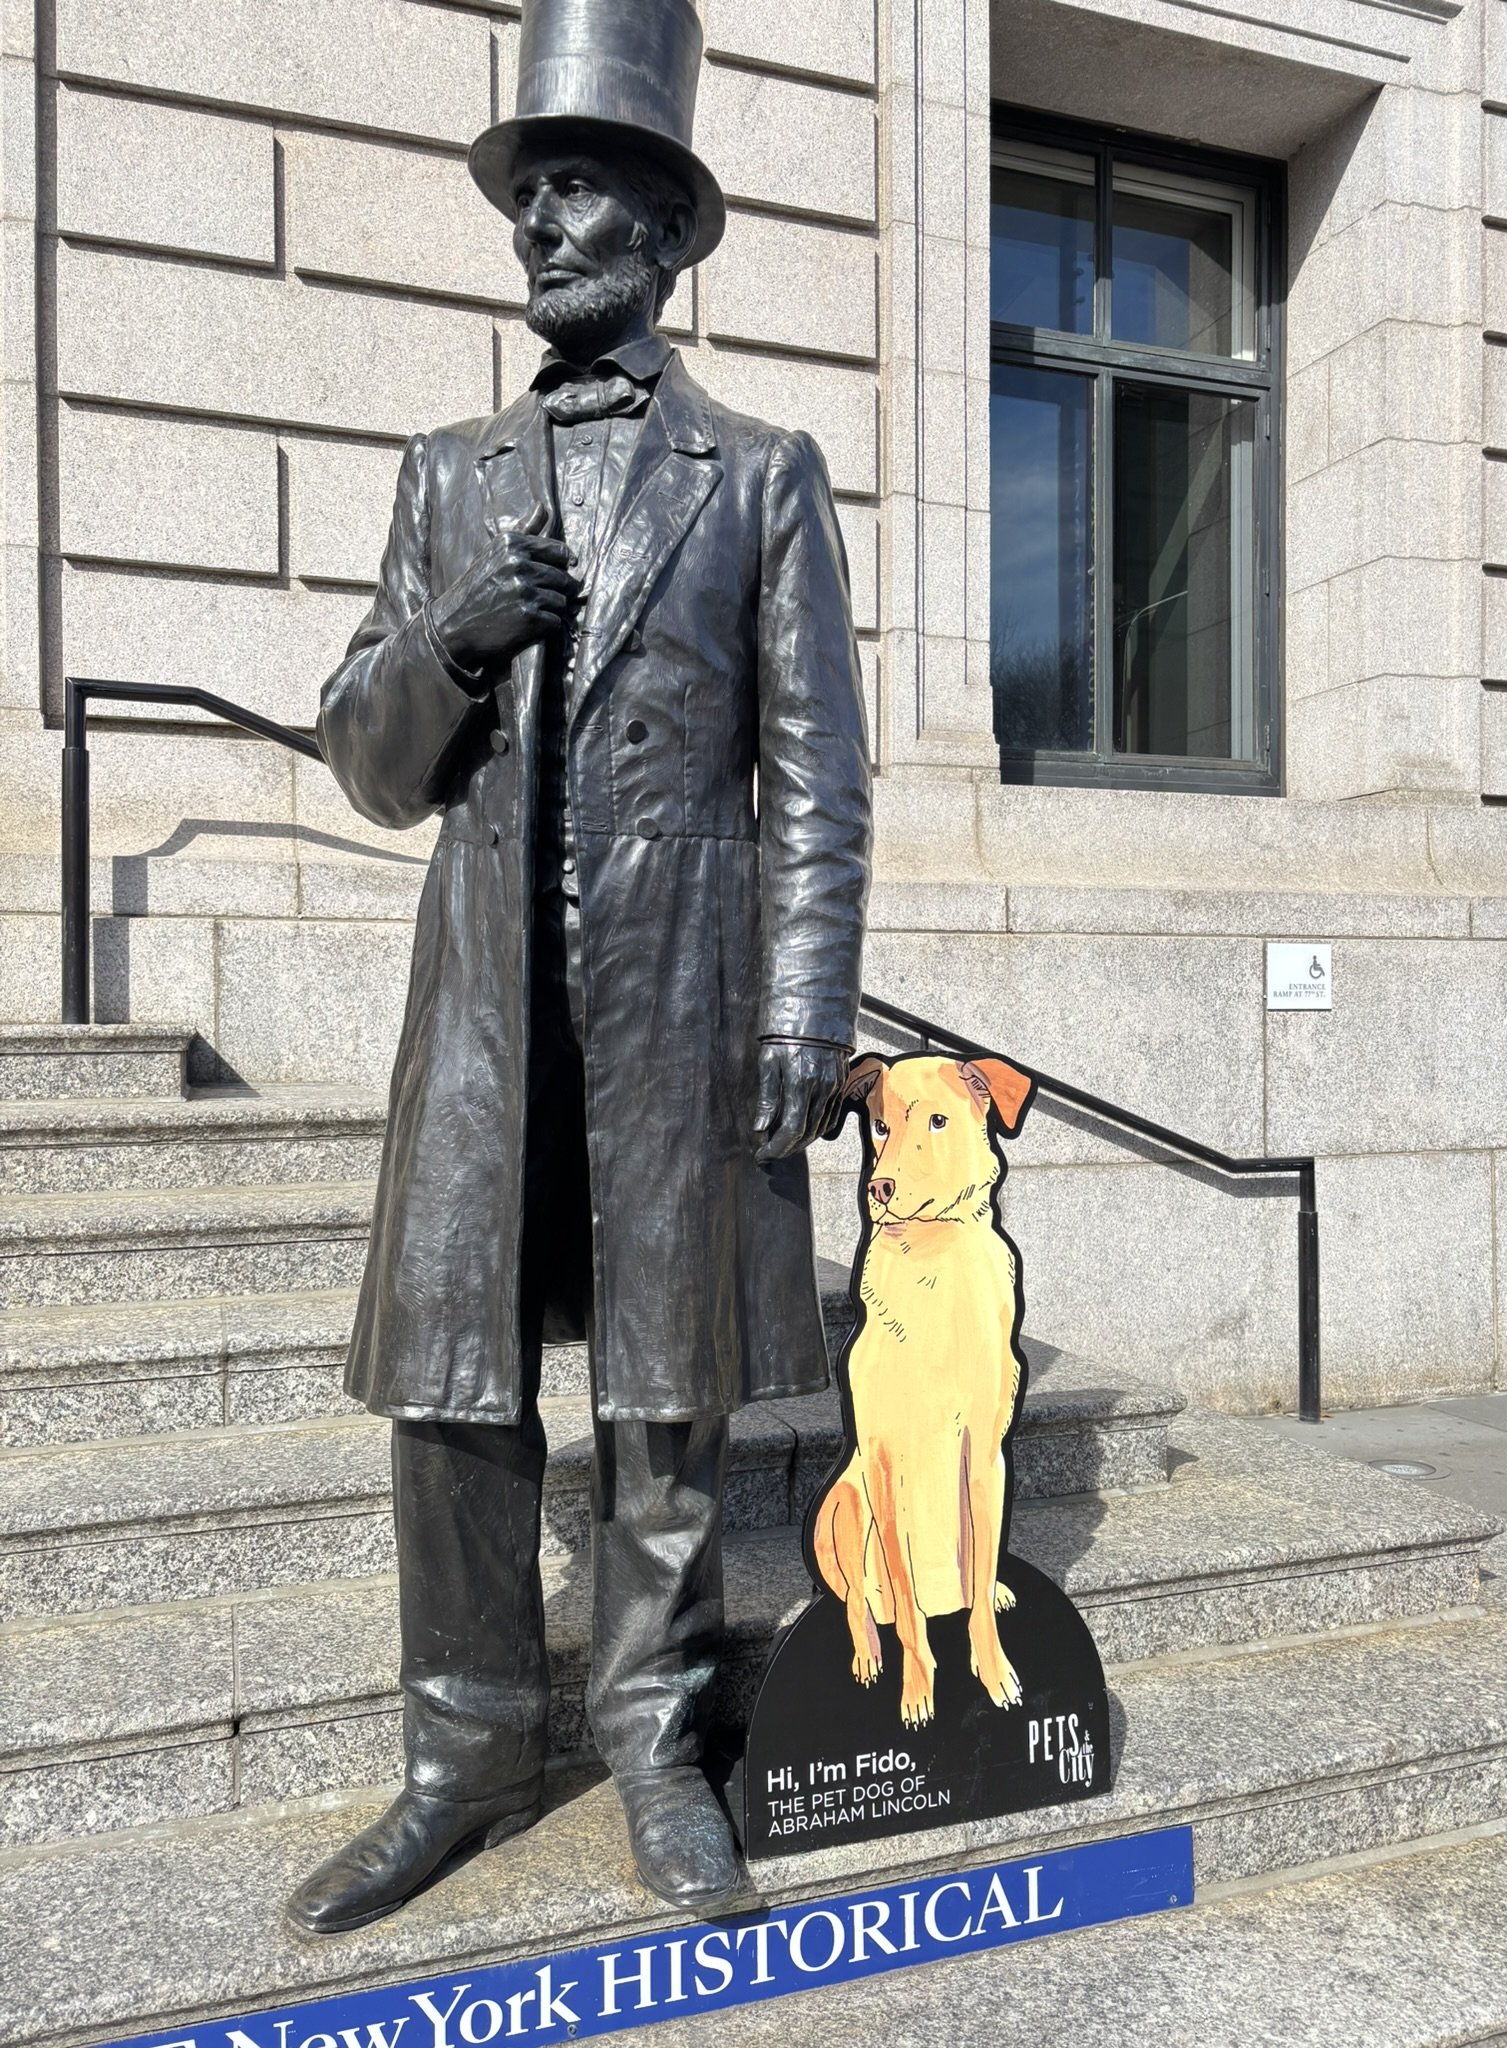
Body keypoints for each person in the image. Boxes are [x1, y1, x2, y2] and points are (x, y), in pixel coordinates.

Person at [286, 0, 871, 1934]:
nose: (542, 229)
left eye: (581, 194)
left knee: (663, 1403)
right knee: (456, 1398)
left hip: (675, 993)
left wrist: (805, 1008)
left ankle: (653, 1742)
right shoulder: (446, 476)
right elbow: (369, 767)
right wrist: (451, 638)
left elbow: (815, 777)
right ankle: (459, 1755)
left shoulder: (761, 470)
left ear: (668, 233)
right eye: (526, 197)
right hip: (484, 1009)